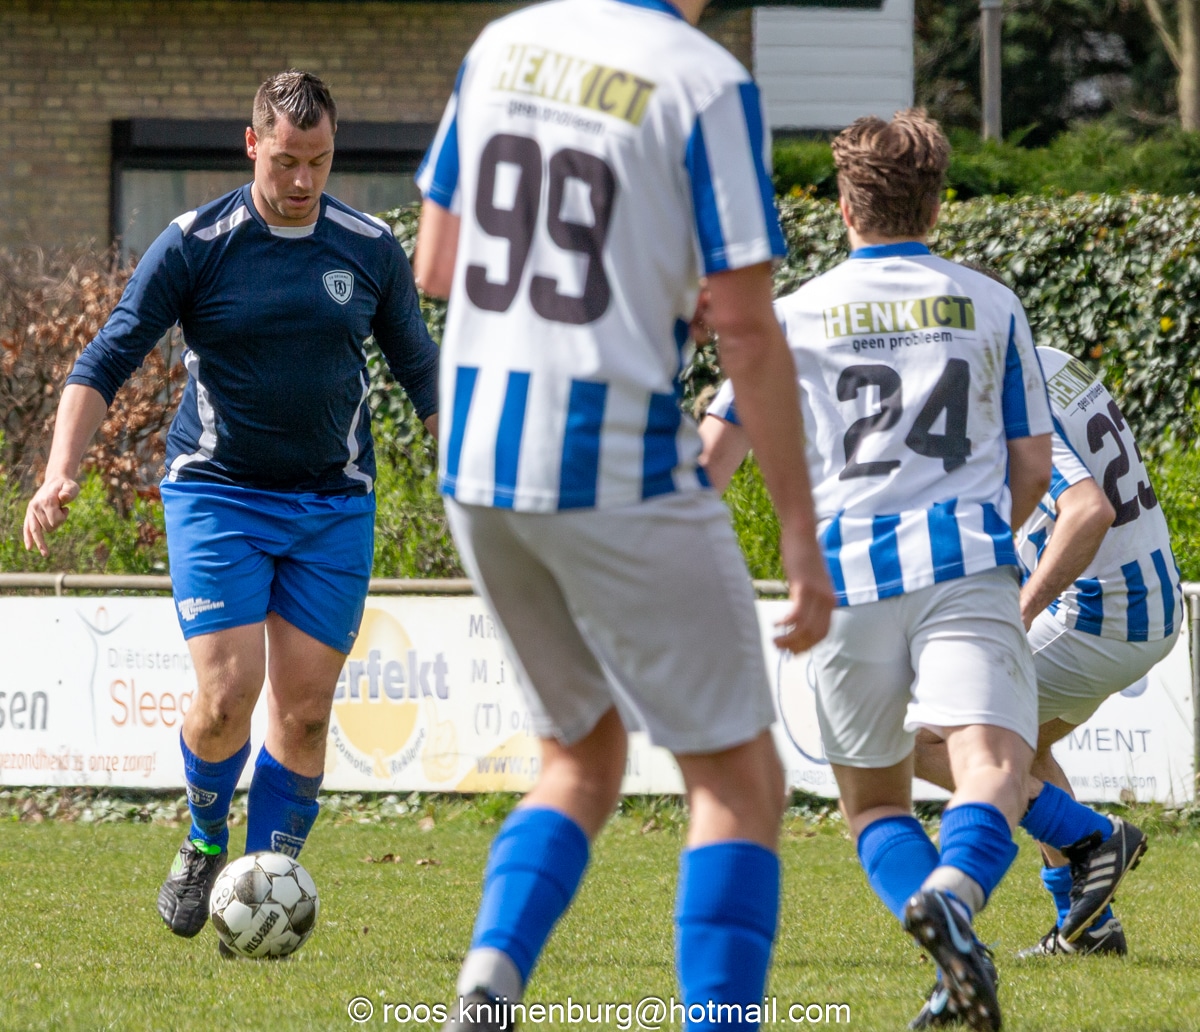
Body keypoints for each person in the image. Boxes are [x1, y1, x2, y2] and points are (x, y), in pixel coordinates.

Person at [413, 0, 834, 1028]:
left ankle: (489, 977)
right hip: (612, 460)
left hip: (477, 462)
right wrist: (797, 529)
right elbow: (746, 330)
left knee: (580, 755)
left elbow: (434, 267)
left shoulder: (502, 44)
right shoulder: (703, 79)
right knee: (736, 778)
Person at [23, 70, 439, 949]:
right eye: (286, 161)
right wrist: (60, 471)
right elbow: (104, 359)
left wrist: (471, 469)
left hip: (333, 505)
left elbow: (423, 372)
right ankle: (207, 839)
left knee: (307, 711)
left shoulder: (369, 247)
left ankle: (263, 885)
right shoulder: (195, 243)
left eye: (319, 162)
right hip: (219, 493)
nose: (303, 180)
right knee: (225, 695)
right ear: (252, 144)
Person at [700, 111, 1052, 1032]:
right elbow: (1032, 467)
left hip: (843, 581)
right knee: (992, 767)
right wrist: (987, 539)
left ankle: (951, 959)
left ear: (844, 207)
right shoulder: (991, 303)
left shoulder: (790, 315)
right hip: (963, 562)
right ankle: (955, 899)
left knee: (872, 806)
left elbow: (710, 464)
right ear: (936, 204)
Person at [914, 345, 1180, 960]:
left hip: (1101, 615)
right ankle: (1088, 928)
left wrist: (1022, 608)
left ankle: (1094, 838)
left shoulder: (998, 387)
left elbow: (1086, 510)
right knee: (1024, 743)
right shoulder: (1048, 358)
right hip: (1147, 600)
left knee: (920, 738)